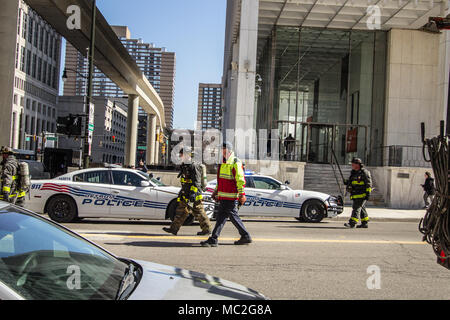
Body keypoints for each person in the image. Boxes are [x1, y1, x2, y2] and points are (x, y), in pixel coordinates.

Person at [201, 142, 252, 247]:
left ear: (228, 149)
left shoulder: (235, 162)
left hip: (231, 196)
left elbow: (240, 179)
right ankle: (214, 238)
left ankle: (245, 235)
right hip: (224, 196)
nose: (220, 151)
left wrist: (242, 194)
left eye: (222, 149)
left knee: (231, 216)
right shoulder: (222, 162)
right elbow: (221, 180)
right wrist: (216, 191)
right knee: (221, 217)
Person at [162, 147, 211, 236]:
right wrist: (182, 192)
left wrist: (193, 193)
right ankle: (173, 229)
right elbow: (185, 181)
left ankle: (207, 229)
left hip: (194, 195)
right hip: (186, 194)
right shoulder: (185, 165)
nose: (180, 156)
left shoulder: (194, 166)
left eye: (182, 154)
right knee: (181, 211)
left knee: (199, 212)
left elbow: (196, 182)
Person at [344, 157, 372, 229]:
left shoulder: (364, 172)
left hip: (362, 194)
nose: (352, 165)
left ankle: (352, 223)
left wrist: (368, 193)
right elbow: (351, 182)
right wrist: (347, 182)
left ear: (358, 164)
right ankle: (364, 223)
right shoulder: (353, 173)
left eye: (353, 164)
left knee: (356, 208)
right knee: (361, 208)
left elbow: (368, 184)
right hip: (355, 194)